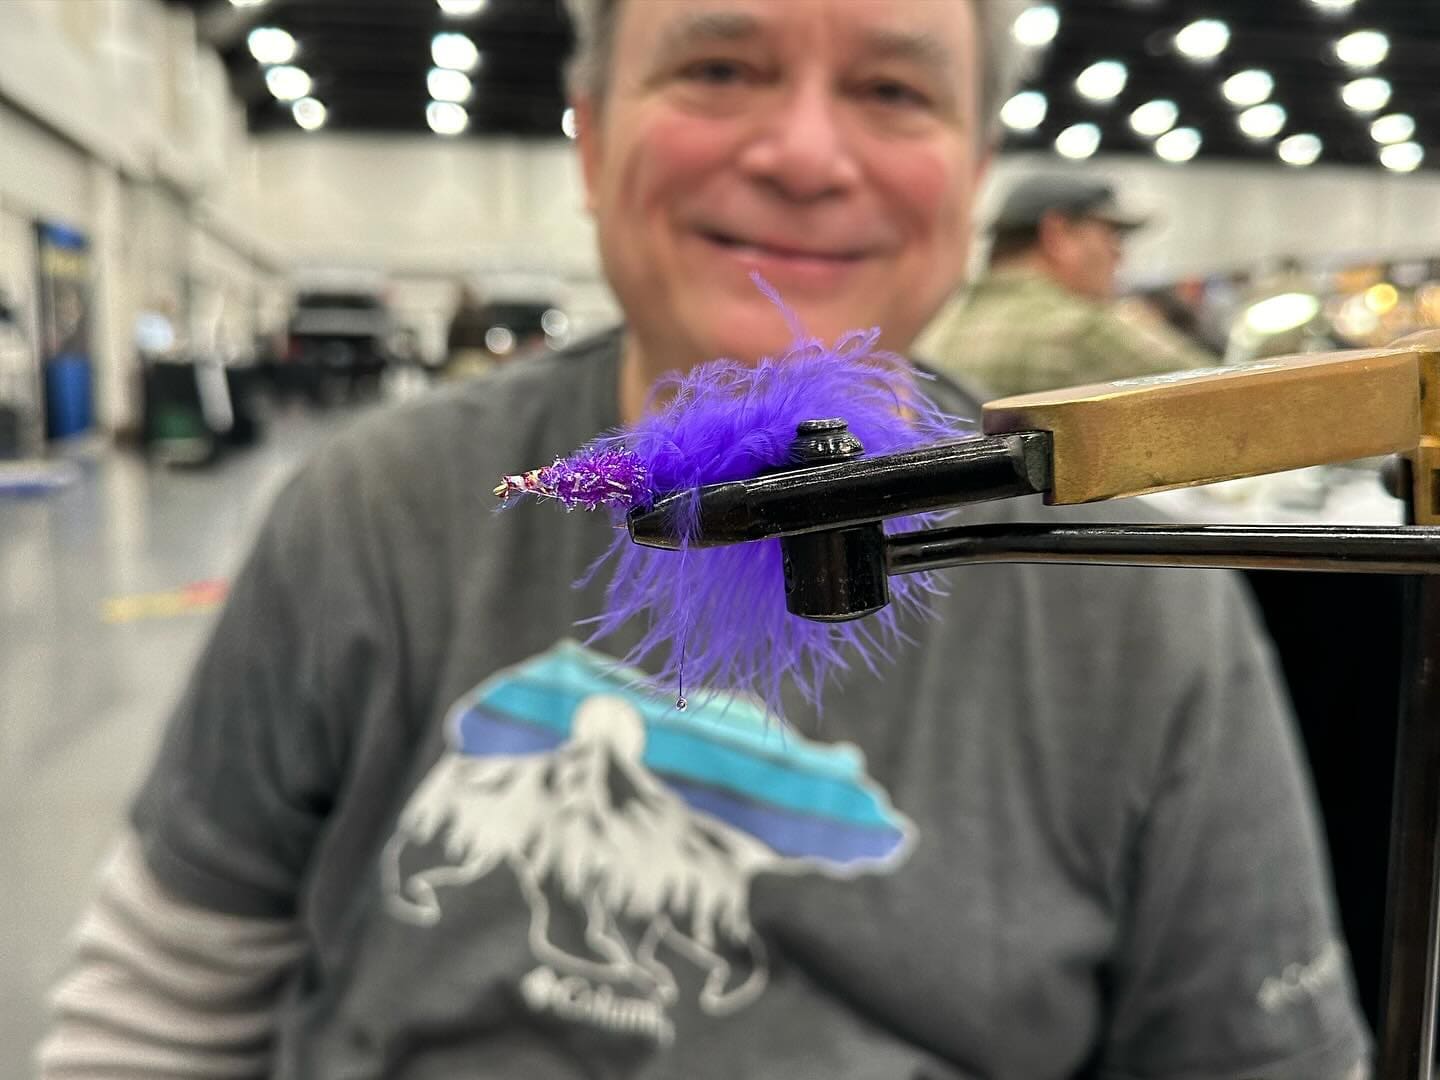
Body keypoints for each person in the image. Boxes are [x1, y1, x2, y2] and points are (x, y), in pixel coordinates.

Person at [39, 2, 1370, 1077]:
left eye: (895, 90)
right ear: (591, 135)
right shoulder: (367, 511)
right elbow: (158, 1009)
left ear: (970, 178)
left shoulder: (1155, 613)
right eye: (720, 65)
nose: (803, 152)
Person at [920, 173, 1217, 398]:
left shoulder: (936, 327)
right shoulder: (1079, 330)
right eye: (1112, 236)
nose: (1118, 255)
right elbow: (1222, 395)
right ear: (1058, 234)